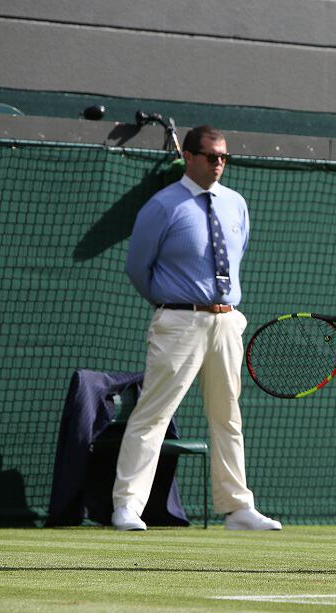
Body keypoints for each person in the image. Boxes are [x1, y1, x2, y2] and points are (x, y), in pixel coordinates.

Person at [112, 125, 281, 532]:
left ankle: (237, 508)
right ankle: (127, 507)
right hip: (178, 322)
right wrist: (172, 306)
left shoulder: (236, 204)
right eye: (211, 156)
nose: (219, 163)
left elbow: (237, 255)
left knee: (228, 416)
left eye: (224, 156)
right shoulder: (161, 205)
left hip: (226, 322)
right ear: (188, 157)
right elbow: (138, 268)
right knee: (153, 413)